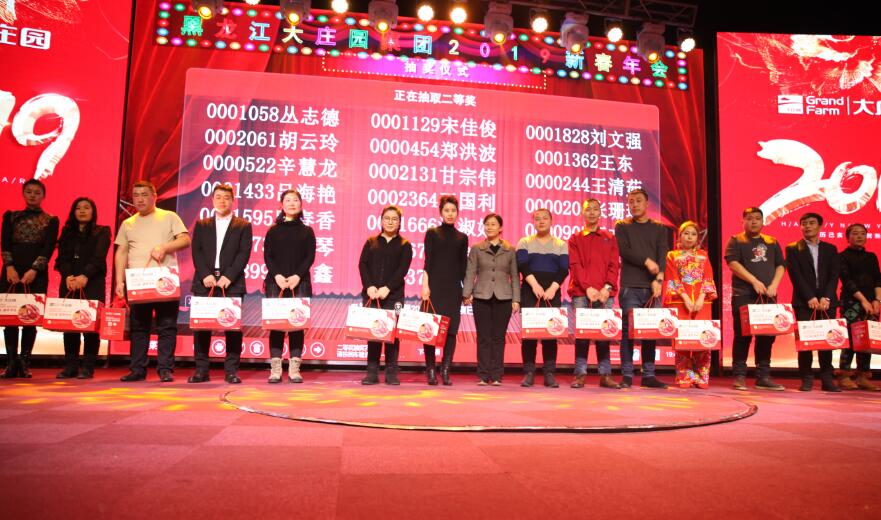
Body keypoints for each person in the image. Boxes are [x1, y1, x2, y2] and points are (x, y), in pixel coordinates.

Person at [114, 180, 190, 382]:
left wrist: (165, 247)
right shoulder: (128, 223)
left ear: (154, 196)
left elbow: (185, 239)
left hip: (165, 282)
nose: (139, 199)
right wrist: (119, 281)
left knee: (167, 327)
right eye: (136, 195)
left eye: (144, 194)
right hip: (138, 283)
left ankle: (165, 369)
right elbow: (121, 252)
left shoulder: (169, 216)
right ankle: (137, 369)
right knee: (139, 327)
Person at [189, 184, 253, 384]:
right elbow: (197, 251)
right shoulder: (202, 224)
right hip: (205, 281)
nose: (222, 201)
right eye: (218, 197)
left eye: (226, 197)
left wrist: (229, 276)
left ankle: (231, 371)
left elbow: (243, 253)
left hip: (231, 283)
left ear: (233, 201)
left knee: (232, 328)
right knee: (202, 328)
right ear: (212, 200)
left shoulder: (243, 225)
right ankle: (201, 371)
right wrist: (205, 274)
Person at [1, 179, 59, 378]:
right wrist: (9, 267)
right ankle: (11, 363)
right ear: (23, 194)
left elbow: (48, 247)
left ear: (43, 196)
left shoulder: (51, 220)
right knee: (10, 317)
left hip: (37, 273)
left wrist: (34, 270)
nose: (33, 195)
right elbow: (5, 243)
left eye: (37, 192)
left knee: (30, 317)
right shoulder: (11, 216)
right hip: (11, 271)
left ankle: (25, 362)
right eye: (29, 192)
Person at [724, 206, 786, 391]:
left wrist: (774, 285)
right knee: (742, 335)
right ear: (743, 221)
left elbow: (780, 265)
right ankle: (740, 376)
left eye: (757, 218)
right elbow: (733, 264)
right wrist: (754, 281)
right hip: (744, 294)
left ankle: (763, 376)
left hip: (768, 295)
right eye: (749, 218)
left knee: (766, 337)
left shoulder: (771, 242)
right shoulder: (736, 240)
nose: (754, 222)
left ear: (763, 221)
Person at [614, 188, 670, 389]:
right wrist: (646, 261)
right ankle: (627, 375)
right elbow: (624, 250)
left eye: (638, 201)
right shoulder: (622, 226)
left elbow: (663, 254)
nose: (634, 204)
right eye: (631, 201)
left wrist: (659, 279)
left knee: (650, 331)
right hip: (630, 286)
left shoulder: (659, 228)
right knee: (628, 332)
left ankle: (649, 375)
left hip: (653, 287)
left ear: (647, 204)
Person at [54, 197, 111, 379]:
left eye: (87, 207)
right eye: (78, 208)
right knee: (70, 325)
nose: (82, 211)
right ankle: (70, 366)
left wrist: (85, 275)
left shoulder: (102, 231)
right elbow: (62, 258)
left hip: (92, 281)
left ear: (93, 211)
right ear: (73, 212)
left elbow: (99, 256)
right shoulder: (67, 232)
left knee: (90, 325)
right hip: (69, 282)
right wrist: (68, 276)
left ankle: (88, 366)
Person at [567, 199, 620, 389]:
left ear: (600, 213)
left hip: (605, 293)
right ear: (582, 213)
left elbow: (614, 265)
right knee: (582, 335)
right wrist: (587, 287)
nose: (591, 212)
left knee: (604, 334)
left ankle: (605, 375)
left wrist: (607, 287)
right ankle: (580, 374)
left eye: (595, 209)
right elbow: (575, 265)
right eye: (588, 209)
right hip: (582, 293)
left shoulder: (609, 237)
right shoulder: (575, 238)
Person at [786, 212, 842, 392]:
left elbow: (834, 275)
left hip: (827, 301)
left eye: (811, 223)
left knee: (827, 339)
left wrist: (827, 297)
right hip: (804, 301)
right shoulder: (793, 248)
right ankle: (806, 378)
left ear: (819, 226)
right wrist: (809, 296)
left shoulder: (830, 249)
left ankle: (827, 378)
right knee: (805, 341)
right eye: (804, 223)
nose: (807, 226)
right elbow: (795, 275)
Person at [263, 189, 315, 384]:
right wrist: (277, 275)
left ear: (301, 204)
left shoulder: (307, 231)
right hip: (275, 282)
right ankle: (275, 369)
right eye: (288, 200)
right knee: (276, 326)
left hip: (300, 282)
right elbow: (268, 256)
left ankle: (294, 369)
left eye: (295, 200)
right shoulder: (273, 230)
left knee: (296, 325)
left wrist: (296, 276)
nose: (292, 203)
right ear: (281, 205)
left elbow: (309, 257)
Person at [358, 205, 413, 385]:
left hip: (394, 296)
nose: (390, 222)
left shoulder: (405, 245)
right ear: (381, 220)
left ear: (399, 222)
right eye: (387, 218)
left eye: (394, 219)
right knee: (374, 332)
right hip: (372, 294)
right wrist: (369, 286)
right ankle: (372, 372)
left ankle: (391, 372)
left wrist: (388, 288)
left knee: (392, 334)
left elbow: (402, 270)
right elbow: (363, 265)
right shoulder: (371, 241)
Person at [463, 213, 520, 386]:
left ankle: (496, 375)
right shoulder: (477, 248)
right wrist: (466, 293)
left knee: (498, 337)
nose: (489, 227)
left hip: (504, 297)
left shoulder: (510, 249)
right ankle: (482, 374)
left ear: (500, 228)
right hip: (481, 296)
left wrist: (516, 299)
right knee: (483, 337)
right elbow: (471, 272)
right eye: (487, 224)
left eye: (493, 224)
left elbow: (515, 276)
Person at [516, 208, 569, 388]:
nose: (541, 221)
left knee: (551, 333)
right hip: (530, 291)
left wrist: (553, 288)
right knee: (529, 335)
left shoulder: (560, 244)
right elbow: (522, 265)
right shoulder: (525, 242)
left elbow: (564, 269)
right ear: (533, 222)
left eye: (545, 218)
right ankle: (529, 372)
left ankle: (549, 373)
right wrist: (535, 285)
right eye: (537, 219)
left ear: (551, 221)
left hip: (552, 292)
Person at [663, 221, 717, 389]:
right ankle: (685, 374)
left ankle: (702, 375)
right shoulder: (672, 255)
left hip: (703, 302)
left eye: (693, 234)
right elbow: (672, 278)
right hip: (680, 301)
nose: (689, 237)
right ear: (680, 236)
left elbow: (708, 277)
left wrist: (701, 298)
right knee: (683, 338)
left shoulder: (703, 255)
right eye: (686, 233)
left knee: (703, 337)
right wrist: (686, 298)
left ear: (697, 238)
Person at [421, 195, 468, 385]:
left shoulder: (462, 237)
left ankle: (446, 369)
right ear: (441, 212)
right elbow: (428, 262)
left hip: (453, 290)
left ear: (457, 213)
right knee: (430, 329)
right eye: (447, 210)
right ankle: (431, 370)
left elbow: (464, 267)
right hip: (434, 288)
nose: (450, 214)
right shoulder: (432, 233)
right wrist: (425, 285)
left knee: (451, 331)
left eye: (453, 211)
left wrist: (467, 291)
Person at [837, 223, 881, 391]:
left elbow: (878, 279)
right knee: (850, 338)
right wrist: (863, 301)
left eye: (863, 233)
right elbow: (847, 281)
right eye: (855, 233)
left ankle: (863, 376)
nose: (859, 236)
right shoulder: (842, 256)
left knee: (867, 339)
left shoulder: (871, 256)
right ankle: (844, 375)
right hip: (852, 302)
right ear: (847, 237)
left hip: (872, 304)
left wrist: (877, 300)